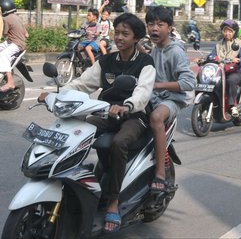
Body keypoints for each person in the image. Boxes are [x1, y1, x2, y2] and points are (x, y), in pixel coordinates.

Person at [40, 13, 156, 233]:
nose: (119, 37)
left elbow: (143, 92)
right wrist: (54, 94)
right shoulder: (107, 60)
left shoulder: (145, 62)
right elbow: (82, 84)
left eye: (125, 34)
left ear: (136, 38)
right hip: (105, 112)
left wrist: (127, 106)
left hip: (134, 115)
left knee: (119, 142)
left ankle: (112, 201)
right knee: (75, 130)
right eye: (117, 32)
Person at [145, 6, 196, 195]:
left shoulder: (175, 52)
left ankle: (159, 173)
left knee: (156, 118)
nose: (155, 29)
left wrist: (158, 86)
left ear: (170, 28)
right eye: (151, 24)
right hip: (155, 96)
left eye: (160, 24)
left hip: (173, 99)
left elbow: (189, 82)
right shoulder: (155, 49)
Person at [208, 19, 241, 117]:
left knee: (231, 80)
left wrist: (238, 60)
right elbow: (212, 55)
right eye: (225, 31)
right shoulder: (219, 45)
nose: (227, 33)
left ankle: (232, 105)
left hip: (235, 71)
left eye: (230, 31)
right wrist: (205, 59)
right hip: (220, 71)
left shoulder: (240, 43)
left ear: (234, 32)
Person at [0, 0, 28, 92]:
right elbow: (26, 34)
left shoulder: (6, 19)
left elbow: (3, 33)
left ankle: (10, 82)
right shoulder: (16, 17)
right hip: (15, 42)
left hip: (16, 44)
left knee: (3, 55)